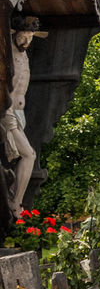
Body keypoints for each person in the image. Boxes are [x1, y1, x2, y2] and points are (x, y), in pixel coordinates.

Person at [3, 16, 47, 216]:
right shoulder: (5, 54)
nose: (27, 43)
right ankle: (15, 203)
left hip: (19, 113)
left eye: (30, 38)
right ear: (14, 35)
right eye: (23, 37)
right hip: (6, 111)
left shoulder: (24, 55)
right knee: (29, 154)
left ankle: (12, 195)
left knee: (21, 156)